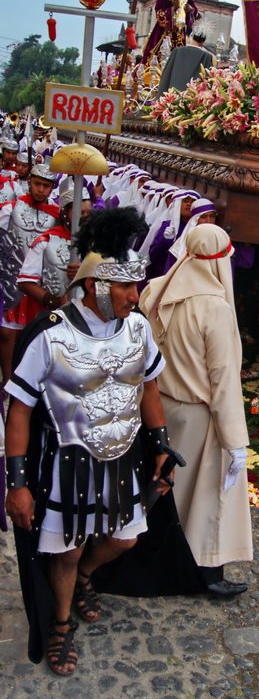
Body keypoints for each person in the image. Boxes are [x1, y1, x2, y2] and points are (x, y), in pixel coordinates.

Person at [4, 207, 172, 675]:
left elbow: (149, 385)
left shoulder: (138, 328)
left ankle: (83, 578)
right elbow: (19, 407)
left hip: (121, 458)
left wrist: (160, 441)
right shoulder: (50, 336)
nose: (135, 298)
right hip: (68, 462)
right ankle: (59, 623)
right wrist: (16, 482)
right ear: (96, 286)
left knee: (126, 539)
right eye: (126, 287)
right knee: (67, 546)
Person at [140, 224, 252, 597]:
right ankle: (205, 573)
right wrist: (235, 439)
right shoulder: (215, 309)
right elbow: (223, 380)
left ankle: (156, 557)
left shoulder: (157, 290)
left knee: (165, 491)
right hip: (198, 414)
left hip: (156, 407)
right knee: (205, 498)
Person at [0, 160, 59, 384]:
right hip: (10, 279)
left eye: (46, 185)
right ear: (29, 183)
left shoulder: (57, 214)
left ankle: (29, 381)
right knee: (6, 333)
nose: (41, 189)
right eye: (37, 184)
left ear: (52, 188)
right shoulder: (11, 208)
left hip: (39, 285)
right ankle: (7, 379)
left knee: (34, 335)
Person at [17, 180, 92, 318]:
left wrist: (86, 272)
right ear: (65, 213)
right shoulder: (45, 242)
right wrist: (55, 302)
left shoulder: (97, 245)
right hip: (50, 316)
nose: (86, 218)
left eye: (88, 213)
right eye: (81, 213)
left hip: (87, 317)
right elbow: (25, 282)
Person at [157, 25, 215, 96]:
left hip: (172, 98)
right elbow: (208, 82)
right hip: (192, 100)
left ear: (191, 36)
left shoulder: (177, 51)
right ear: (204, 40)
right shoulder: (207, 57)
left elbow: (166, 75)